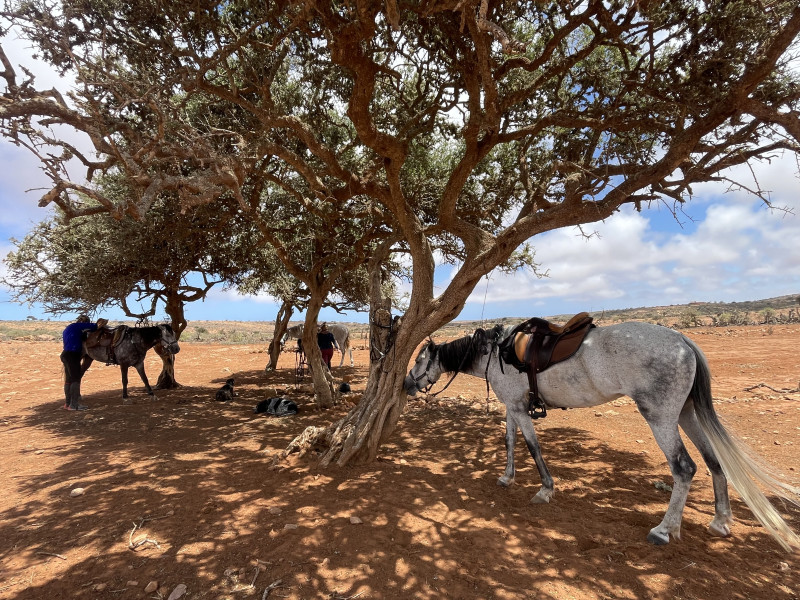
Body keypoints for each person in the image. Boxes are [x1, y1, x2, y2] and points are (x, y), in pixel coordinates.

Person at [60, 314, 106, 410]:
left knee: (68, 380)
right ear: (85, 322)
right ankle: (74, 405)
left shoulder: (69, 328)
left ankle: (67, 404)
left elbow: (82, 337)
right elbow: (96, 326)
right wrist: (102, 322)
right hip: (73, 355)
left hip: (65, 355)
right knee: (76, 379)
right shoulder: (80, 326)